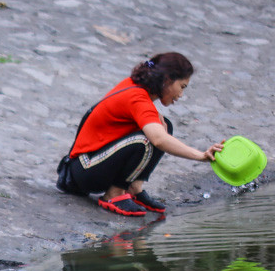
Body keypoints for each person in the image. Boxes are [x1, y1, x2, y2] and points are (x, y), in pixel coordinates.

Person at [57, 52, 224, 216]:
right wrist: (200, 156)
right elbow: (158, 140)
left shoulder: (136, 88)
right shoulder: (138, 98)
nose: (181, 95)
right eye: (182, 87)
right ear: (167, 81)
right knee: (147, 140)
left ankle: (133, 188)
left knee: (165, 126)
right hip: (84, 169)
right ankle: (114, 194)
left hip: (90, 164)